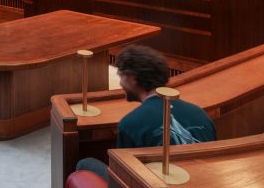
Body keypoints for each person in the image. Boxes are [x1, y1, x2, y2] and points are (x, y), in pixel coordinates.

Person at [76, 44, 216, 179]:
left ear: (133, 79)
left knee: (86, 163)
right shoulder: (200, 114)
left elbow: (124, 177)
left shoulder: (130, 123)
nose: (120, 84)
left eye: (121, 77)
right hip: (202, 187)